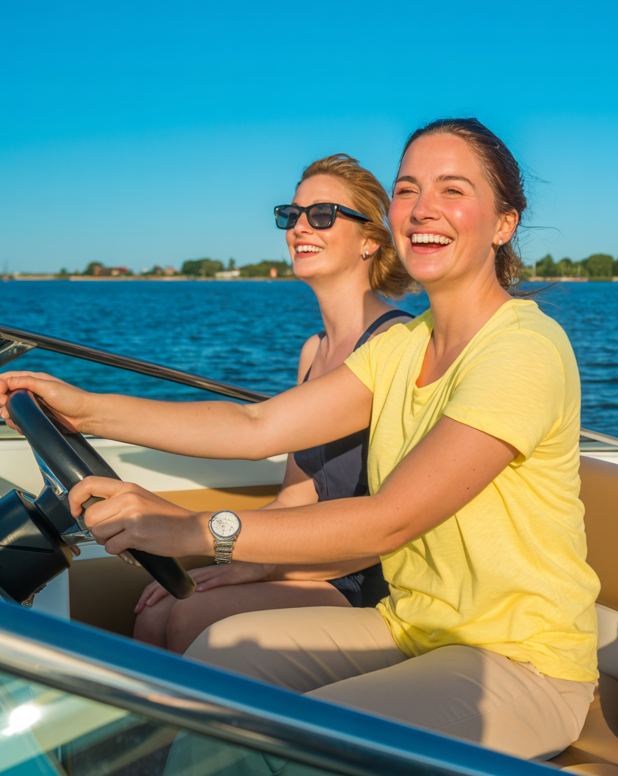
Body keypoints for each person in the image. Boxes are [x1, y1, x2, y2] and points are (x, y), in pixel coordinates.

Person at [0, 118, 599, 765]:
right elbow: (260, 427)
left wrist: (200, 533)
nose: (422, 210)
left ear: (504, 223)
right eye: (408, 189)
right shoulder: (402, 347)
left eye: (453, 190)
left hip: (521, 663)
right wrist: (87, 410)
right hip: (411, 629)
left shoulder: (522, 350)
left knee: (303, 751)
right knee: (216, 663)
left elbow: (389, 521)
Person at [132, 153, 414, 653]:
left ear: (371, 239)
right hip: (305, 561)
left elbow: (390, 523)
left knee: (186, 620)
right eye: (292, 214)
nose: (300, 227)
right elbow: (295, 497)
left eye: (323, 215)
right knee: (157, 611)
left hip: (361, 576)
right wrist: (225, 561)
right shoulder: (315, 351)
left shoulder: (396, 344)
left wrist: (256, 559)